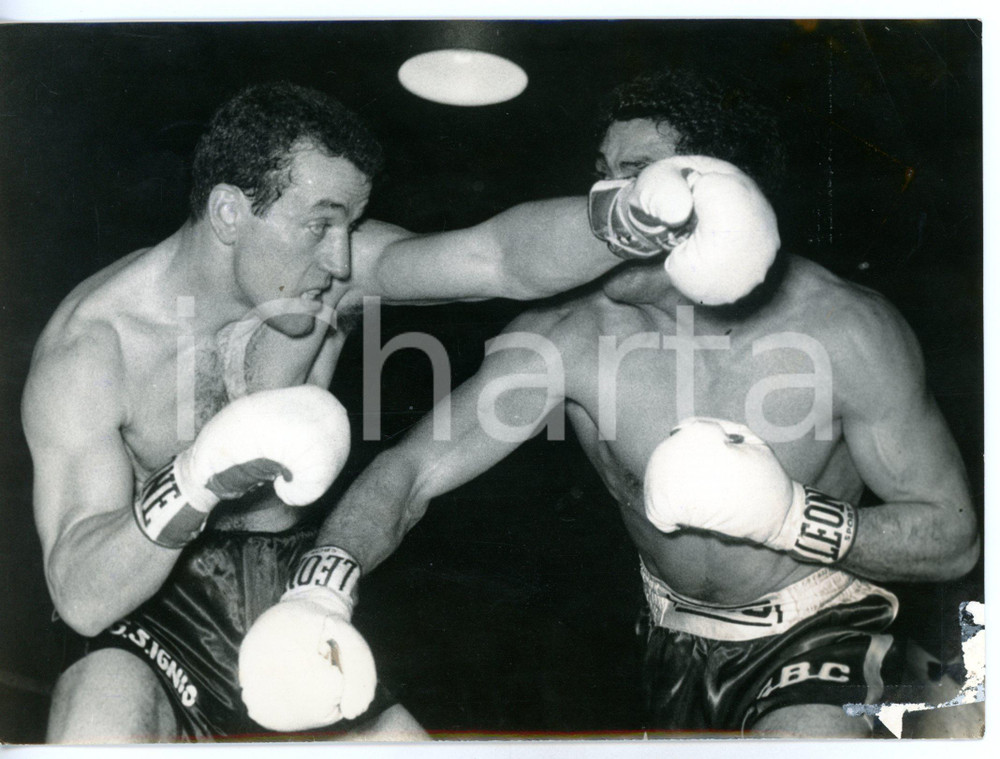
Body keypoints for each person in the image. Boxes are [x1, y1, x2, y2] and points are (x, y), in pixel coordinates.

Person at [242, 69, 980, 738]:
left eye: (637, 175)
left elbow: (952, 536)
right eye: (603, 176)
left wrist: (791, 518)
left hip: (823, 628)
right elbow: (412, 471)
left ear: (723, 195)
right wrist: (322, 585)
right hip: (666, 636)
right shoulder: (572, 335)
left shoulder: (843, 330)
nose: (609, 202)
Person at [22, 79, 707, 743]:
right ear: (231, 212)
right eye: (320, 223)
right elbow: (81, 593)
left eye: (350, 223)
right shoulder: (96, 348)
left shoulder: (331, 279)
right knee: (98, 727)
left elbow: (493, 257)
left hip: (290, 580)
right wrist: (196, 476)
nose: (342, 255)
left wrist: (626, 218)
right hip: (149, 605)